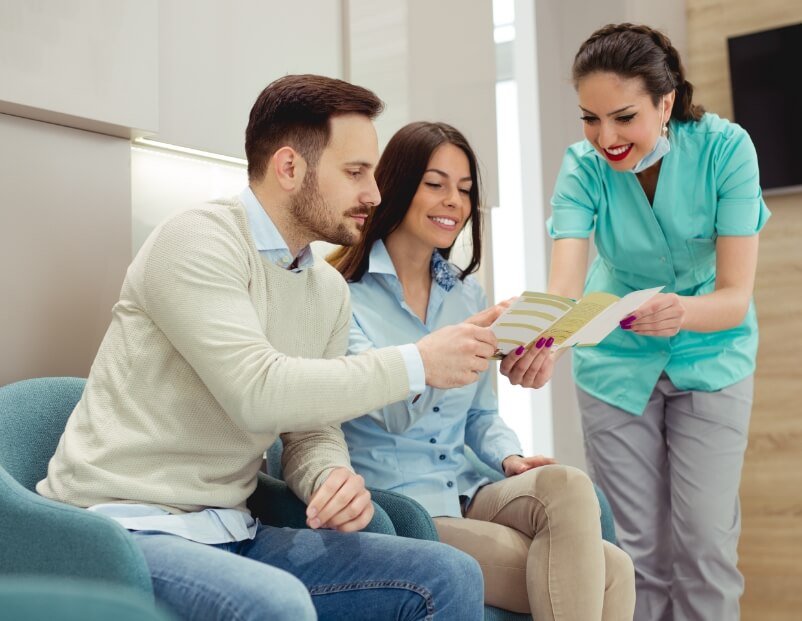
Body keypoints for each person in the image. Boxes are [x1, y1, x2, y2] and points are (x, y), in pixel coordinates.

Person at [36, 75, 494, 621]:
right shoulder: (197, 240)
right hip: (121, 528)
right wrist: (418, 362)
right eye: (355, 173)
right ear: (289, 168)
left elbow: (311, 428)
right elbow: (258, 392)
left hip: (232, 529)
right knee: (275, 603)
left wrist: (327, 477)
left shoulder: (324, 289)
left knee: (448, 574)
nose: (374, 193)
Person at [328, 121, 636, 621]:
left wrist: (509, 457)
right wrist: (447, 349)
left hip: (469, 486)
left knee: (570, 486)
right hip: (404, 506)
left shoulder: (465, 293)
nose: (454, 200)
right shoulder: (341, 295)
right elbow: (390, 414)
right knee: (612, 572)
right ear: (398, 185)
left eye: (465, 189)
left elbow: (480, 415)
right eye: (436, 184)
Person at [546, 24, 771, 621]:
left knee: (705, 545)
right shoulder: (581, 167)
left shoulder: (727, 150)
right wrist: (541, 339)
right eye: (590, 120)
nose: (606, 138)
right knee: (635, 554)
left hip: (711, 354)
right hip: (614, 361)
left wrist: (681, 313)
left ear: (665, 102)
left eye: (623, 117)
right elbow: (564, 288)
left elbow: (734, 296)